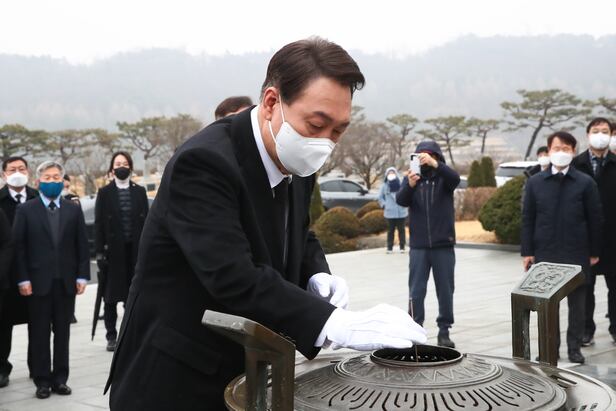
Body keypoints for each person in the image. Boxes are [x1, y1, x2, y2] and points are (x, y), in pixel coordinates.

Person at [105, 37, 427, 410]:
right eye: (316, 124)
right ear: (272, 102)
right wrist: (334, 323)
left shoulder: (296, 158)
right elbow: (232, 275)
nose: (324, 143)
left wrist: (316, 274)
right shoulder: (204, 163)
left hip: (250, 370)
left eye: (338, 131)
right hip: (176, 377)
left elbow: (298, 232)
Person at [522, 131, 602, 364]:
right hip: (546, 253)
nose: (561, 152)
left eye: (566, 148)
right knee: (548, 305)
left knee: (578, 306)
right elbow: (528, 218)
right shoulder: (536, 182)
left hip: (577, 252)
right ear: (548, 151)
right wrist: (527, 252)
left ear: (574, 151)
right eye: (556, 148)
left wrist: (594, 252)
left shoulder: (585, 182)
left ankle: (574, 348)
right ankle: (550, 349)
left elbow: (595, 219)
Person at [13, 161, 90, 399]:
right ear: (38, 181)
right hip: (37, 283)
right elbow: (19, 248)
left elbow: (81, 245)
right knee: (39, 333)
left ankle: (60, 379)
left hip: (66, 282)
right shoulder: (26, 210)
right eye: (47, 178)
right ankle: (42, 381)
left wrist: (82, 275)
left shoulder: (72, 209)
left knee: (63, 332)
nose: (52, 181)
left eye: (56, 177)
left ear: (62, 181)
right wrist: (22, 279)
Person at [396, 140, 460, 348]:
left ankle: (444, 331)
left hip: (443, 245)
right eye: (420, 155)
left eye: (429, 155)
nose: (424, 159)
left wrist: (435, 165)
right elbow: (401, 200)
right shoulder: (413, 179)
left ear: (437, 157)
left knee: (445, 290)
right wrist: (410, 185)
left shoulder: (444, 178)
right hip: (419, 245)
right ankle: (415, 330)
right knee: (416, 290)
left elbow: (455, 179)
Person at [95, 152, 148, 352]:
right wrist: (99, 252)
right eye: (117, 164)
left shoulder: (139, 191)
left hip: (135, 252)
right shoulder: (105, 192)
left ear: (131, 167)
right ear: (112, 168)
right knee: (110, 297)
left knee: (133, 296)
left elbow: (147, 222)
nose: (121, 167)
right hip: (113, 253)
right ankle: (111, 335)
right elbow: (99, 224)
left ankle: (131, 334)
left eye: (125, 163)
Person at [571, 118, 616, 347]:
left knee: (614, 289)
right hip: (584, 239)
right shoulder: (576, 165)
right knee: (584, 289)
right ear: (588, 135)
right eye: (596, 131)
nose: (600, 135)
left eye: (605, 131)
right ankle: (586, 330)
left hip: (613, 239)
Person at [0, 156, 38, 388]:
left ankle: (38, 366)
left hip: (34, 272)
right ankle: (2, 368)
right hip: (5, 273)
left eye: (21, 169)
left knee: (38, 322)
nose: (17, 173)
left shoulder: (37, 198)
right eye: (12, 169)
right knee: (3, 324)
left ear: (28, 172)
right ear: (3, 174)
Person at [378, 167, 408, 254]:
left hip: (401, 211)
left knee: (401, 230)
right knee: (390, 230)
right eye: (389, 173)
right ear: (386, 175)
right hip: (390, 212)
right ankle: (389, 247)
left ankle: (402, 247)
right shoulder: (384, 186)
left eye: (393, 173)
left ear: (396, 174)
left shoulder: (401, 184)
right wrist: (384, 205)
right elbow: (380, 197)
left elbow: (406, 194)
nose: (391, 175)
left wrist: (405, 203)